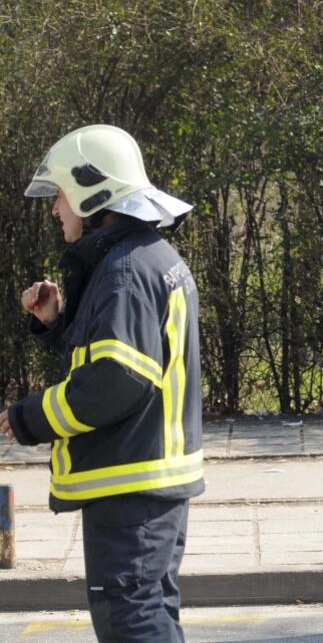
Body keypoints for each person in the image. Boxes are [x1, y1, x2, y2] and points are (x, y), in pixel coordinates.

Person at [0, 124, 204, 642]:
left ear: (94, 192)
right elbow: (116, 352)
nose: (54, 209)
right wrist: (55, 323)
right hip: (146, 480)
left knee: (131, 622)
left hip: (129, 484)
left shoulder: (124, 272)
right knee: (150, 613)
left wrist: (28, 417)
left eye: (61, 196)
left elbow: (116, 380)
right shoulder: (142, 259)